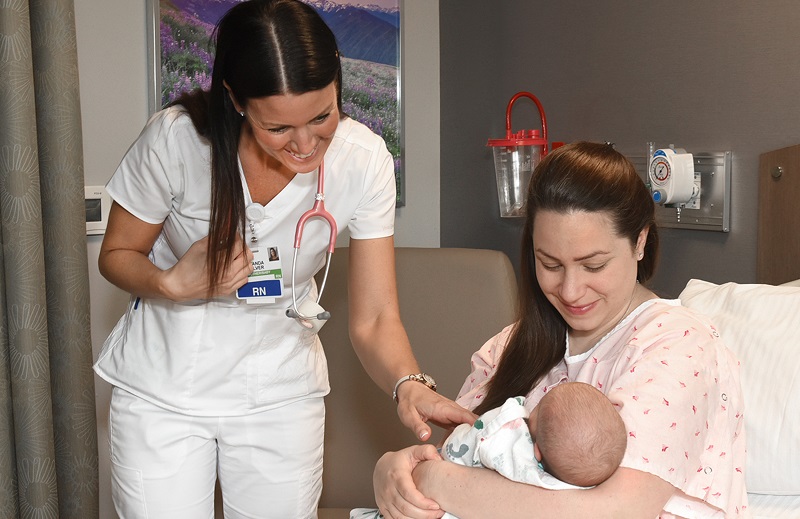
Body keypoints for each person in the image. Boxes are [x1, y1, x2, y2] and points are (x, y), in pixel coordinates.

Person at [93, 1, 473, 517]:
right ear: (236, 100)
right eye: (278, 128)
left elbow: (376, 316)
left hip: (279, 392)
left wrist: (408, 383)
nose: (305, 145)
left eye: (322, 117)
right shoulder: (178, 142)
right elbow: (116, 255)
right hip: (166, 393)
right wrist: (171, 283)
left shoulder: (363, 163)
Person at [373, 142, 748, 518]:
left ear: (640, 242)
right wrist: (393, 472)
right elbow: (457, 455)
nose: (569, 290)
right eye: (550, 264)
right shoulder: (508, 347)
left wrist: (434, 480)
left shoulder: (678, 347)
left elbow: (611, 513)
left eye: (593, 266)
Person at [354, 382, 626, 519]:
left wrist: (427, 474)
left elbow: (466, 444)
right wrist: (391, 467)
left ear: (537, 452)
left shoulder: (507, 443)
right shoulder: (580, 481)